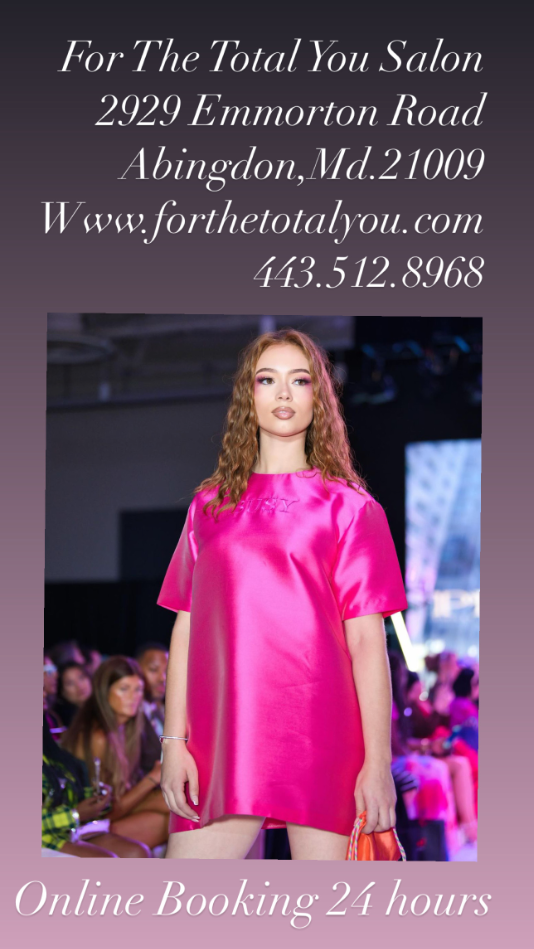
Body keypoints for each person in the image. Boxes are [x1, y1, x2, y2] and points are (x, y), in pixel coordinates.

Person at [158, 329, 408, 860]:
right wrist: (173, 743)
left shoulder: (350, 508)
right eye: (267, 380)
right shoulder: (209, 507)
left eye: (300, 380)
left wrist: (378, 763)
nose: (284, 394)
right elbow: (185, 628)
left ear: (319, 396)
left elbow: (367, 644)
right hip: (225, 734)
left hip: (325, 734)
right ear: (248, 396)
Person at [62, 656, 170, 850]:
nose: (133, 697)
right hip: (86, 826)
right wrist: (152, 778)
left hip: (113, 814)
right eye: (124, 689)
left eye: (138, 689)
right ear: (104, 692)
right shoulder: (98, 736)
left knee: (177, 804)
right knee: (170, 815)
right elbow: (102, 810)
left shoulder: (125, 729)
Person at [42, 715, 150, 857]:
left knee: (137, 852)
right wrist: (75, 814)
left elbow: (62, 796)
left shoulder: (49, 751)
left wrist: (94, 797)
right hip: (48, 834)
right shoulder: (97, 736)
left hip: (68, 828)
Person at [135, 642, 168, 737]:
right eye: (153, 669)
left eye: (167, 672)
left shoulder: (162, 713)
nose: (163, 678)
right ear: (136, 669)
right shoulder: (128, 714)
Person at [55, 661, 93, 727]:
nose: (79, 686)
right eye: (70, 683)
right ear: (62, 692)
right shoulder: (61, 721)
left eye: (81, 677)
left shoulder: (104, 706)